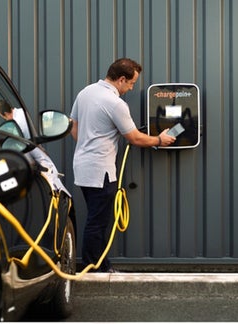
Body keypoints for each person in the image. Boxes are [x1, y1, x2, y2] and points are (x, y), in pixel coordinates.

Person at [70, 58, 176, 272]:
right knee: (98, 222)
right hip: (101, 170)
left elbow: (74, 127)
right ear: (121, 79)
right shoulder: (115, 103)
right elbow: (135, 138)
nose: (131, 88)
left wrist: (88, 143)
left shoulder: (86, 92)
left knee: (95, 217)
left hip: (82, 166)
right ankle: (95, 267)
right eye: (131, 83)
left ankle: (101, 264)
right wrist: (159, 140)